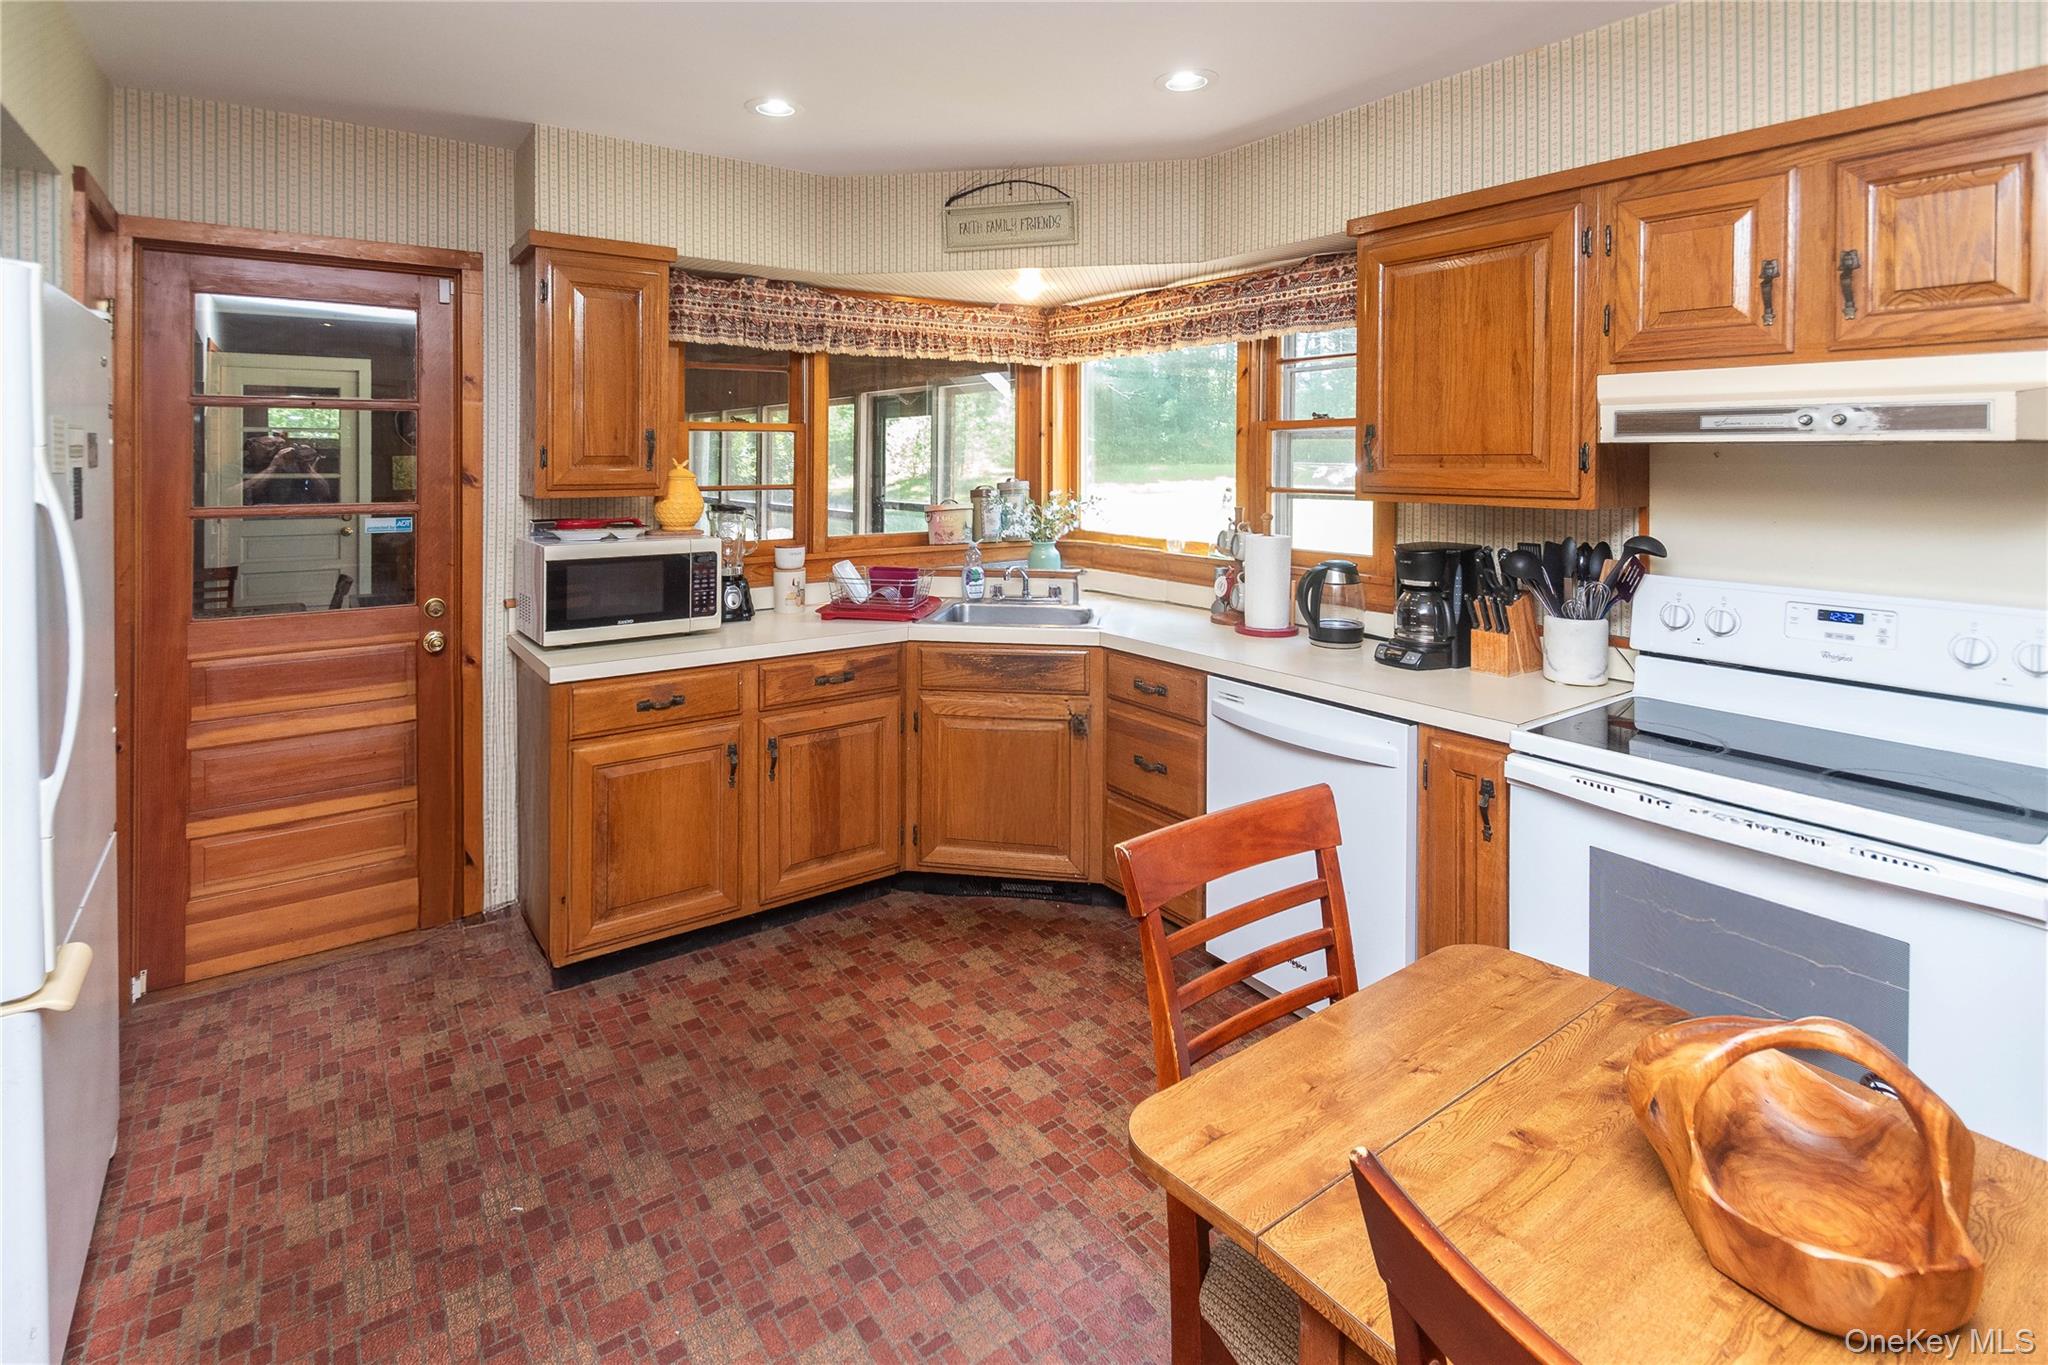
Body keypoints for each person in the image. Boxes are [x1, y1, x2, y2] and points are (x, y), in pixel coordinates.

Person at [241, 430, 338, 504]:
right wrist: (272, 468)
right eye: (270, 445)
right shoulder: (239, 466)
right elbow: (242, 495)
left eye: (281, 445)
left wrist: (306, 467)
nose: (277, 449)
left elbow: (325, 493)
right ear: (250, 445)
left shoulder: (291, 463)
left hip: (296, 516)